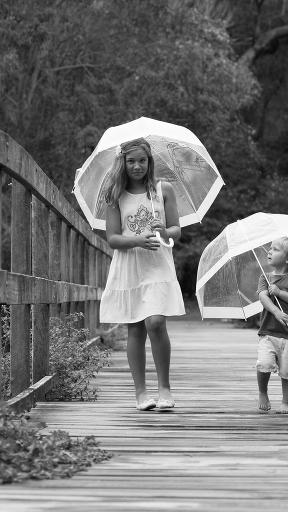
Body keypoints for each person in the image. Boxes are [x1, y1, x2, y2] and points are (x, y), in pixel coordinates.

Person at [99, 138, 185, 411]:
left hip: (157, 264)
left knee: (156, 322)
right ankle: (141, 393)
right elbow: (112, 239)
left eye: (142, 160)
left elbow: (176, 231)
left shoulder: (164, 190)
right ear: (122, 163)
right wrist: (136, 240)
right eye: (131, 161)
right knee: (135, 327)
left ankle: (165, 388)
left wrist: (163, 231)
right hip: (130, 266)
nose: (137, 166)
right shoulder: (115, 194)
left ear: (150, 162)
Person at [255, 236, 288, 414]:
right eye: (270, 248)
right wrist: (276, 312)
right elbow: (263, 297)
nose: (269, 251)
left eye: (275, 249)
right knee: (264, 364)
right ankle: (263, 392)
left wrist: (280, 292)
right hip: (268, 332)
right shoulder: (265, 277)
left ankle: (286, 402)